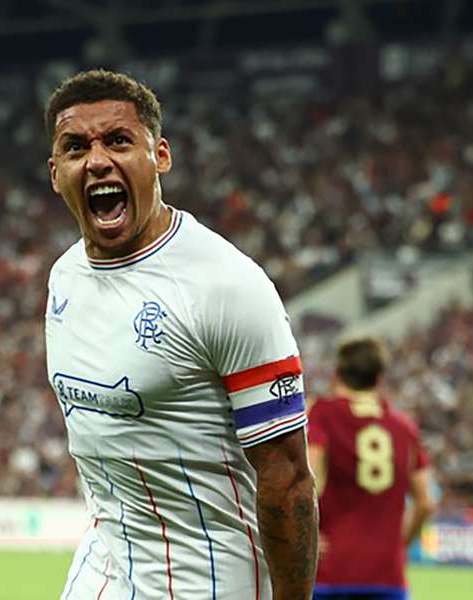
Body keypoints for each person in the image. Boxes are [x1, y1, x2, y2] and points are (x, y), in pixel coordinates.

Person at [43, 69, 319, 599]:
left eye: (119, 141)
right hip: (103, 564)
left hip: (208, 577)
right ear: (56, 173)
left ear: (160, 156)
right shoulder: (64, 277)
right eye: (76, 147)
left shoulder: (227, 286)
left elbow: (289, 479)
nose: (97, 159)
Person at [306, 337, 435, 600]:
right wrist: (399, 544)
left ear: (337, 374)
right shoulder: (404, 428)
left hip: (333, 571)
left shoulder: (323, 414)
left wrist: (306, 534)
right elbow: (426, 502)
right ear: (379, 378)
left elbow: (306, 478)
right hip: (388, 576)